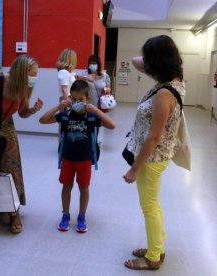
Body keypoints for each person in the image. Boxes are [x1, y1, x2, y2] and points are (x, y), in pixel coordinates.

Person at [122, 35, 186, 270]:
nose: (144, 62)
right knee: (153, 204)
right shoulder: (176, 79)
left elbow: (154, 136)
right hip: (158, 156)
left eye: (150, 58)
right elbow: (135, 60)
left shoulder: (164, 93)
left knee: (149, 207)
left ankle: (152, 258)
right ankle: (156, 247)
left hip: (152, 158)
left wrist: (134, 169)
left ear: (156, 62)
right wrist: (153, 56)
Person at [0, 54, 43, 234]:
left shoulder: (24, 87)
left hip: (7, 126)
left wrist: (33, 110)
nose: (34, 77)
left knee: (10, 168)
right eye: (32, 73)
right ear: (22, 72)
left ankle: (13, 211)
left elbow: (22, 113)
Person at [39, 80, 115, 233]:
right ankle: (65, 215)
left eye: (81, 99)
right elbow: (43, 120)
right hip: (67, 158)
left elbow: (112, 125)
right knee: (66, 186)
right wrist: (59, 106)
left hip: (85, 159)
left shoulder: (92, 117)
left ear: (87, 99)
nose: (77, 102)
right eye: (74, 99)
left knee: (84, 188)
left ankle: (81, 216)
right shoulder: (66, 115)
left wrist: (96, 110)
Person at [77, 54, 112, 145]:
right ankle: (85, 141)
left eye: (95, 63)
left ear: (98, 64)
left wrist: (107, 90)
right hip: (86, 105)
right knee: (86, 123)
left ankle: (94, 141)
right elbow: (79, 87)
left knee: (97, 124)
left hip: (100, 105)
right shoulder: (84, 74)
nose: (93, 65)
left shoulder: (104, 76)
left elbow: (108, 87)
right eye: (91, 63)